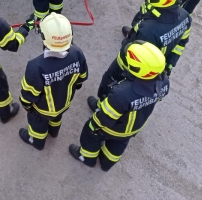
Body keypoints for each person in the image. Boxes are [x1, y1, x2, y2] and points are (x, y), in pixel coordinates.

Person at [69, 41, 169, 171]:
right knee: (119, 142)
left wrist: (94, 125)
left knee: (90, 133)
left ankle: (87, 157)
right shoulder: (165, 81)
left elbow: (105, 117)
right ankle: (106, 163)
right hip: (135, 127)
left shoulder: (121, 93)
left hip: (113, 128)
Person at [93, 0, 190, 101]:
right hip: (157, 61)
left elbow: (136, 58)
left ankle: (101, 106)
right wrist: (169, 65)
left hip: (126, 65)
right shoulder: (185, 16)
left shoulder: (149, 31)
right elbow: (181, 43)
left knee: (110, 83)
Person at [19, 13, 88, 151]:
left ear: (44, 38)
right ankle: (54, 132)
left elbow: (27, 95)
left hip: (41, 110)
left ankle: (36, 140)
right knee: (57, 117)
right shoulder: (77, 53)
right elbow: (82, 78)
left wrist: (28, 108)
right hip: (64, 104)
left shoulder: (35, 66)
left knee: (37, 124)